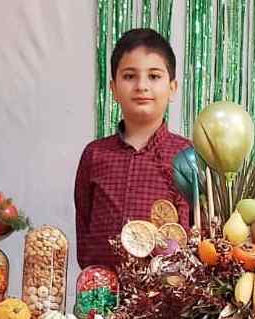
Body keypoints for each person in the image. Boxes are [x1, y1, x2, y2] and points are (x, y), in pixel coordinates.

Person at [74, 28, 191, 269]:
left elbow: (199, 229)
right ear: (114, 88)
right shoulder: (95, 154)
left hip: (167, 288)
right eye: (129, 76)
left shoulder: (186, 156)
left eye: (154, 76)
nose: (141, 86)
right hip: (101, 287)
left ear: (172, 88)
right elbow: (84, 226)